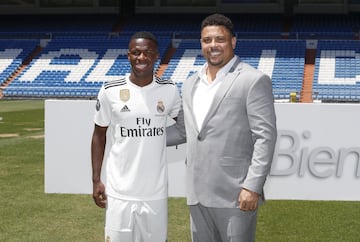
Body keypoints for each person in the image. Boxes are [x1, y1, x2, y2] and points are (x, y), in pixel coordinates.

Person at [167, 13, 277, 242]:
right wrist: (141, 135)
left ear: (233, 42)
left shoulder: (253, 80)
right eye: (207, 40)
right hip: (196, 194)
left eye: (220, 39)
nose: (213, 45)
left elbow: (265, 137)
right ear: (201, 43)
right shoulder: (189, 84)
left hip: (235, 195)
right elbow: (185, 132)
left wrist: (252, 187)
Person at [91, 31, 181, 242]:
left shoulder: (169, 90)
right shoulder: (110, 90)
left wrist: (156, 138)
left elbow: (187, 127)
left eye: (148, 53)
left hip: (155, 193)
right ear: (128, 55)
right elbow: (98, 135)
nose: (142, 58)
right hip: (119, 192)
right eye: (136, 53)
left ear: (156, 55)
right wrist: (96, 180)